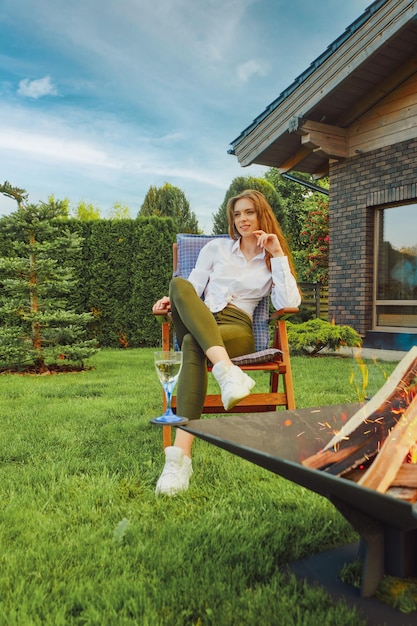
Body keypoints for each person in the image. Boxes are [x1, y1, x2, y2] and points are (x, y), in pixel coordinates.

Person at [152, 189, 301, 495]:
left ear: (261, 215)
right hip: (201, 316)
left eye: (249, 212)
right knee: (178, 284)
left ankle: (179, 459)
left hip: (237, 328)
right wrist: (169, 302)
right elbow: (190, 290)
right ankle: (226, 371)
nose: (243, 219)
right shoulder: (216, 248)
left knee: (193, 345)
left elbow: (289, 302)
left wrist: (277, 254)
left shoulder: (271, 258)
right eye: (237, 214)